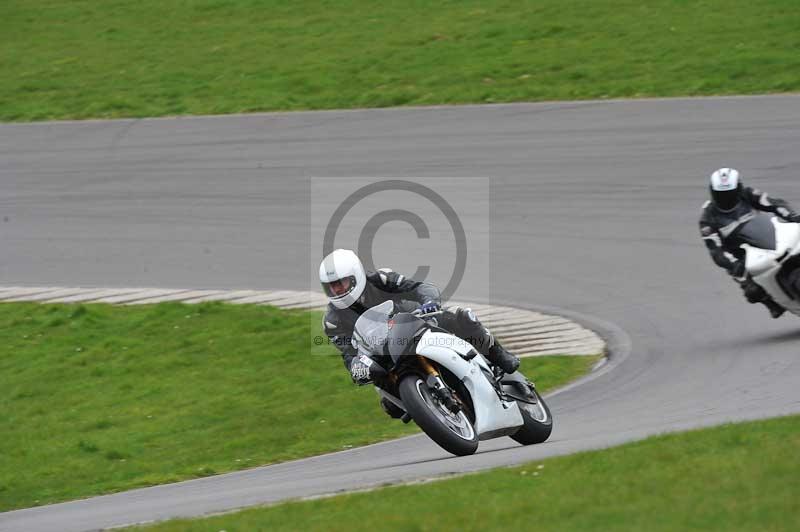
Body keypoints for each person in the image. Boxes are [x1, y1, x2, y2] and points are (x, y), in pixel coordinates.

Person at [319, 249, 520, 415]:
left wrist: (429, 303)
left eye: (340, 283)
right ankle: (426, 405)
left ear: (355, 276)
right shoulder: (332, 321)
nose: (336, 290)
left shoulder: (381, 279)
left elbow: (419, 287)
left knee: (462, 318)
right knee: (391, 406)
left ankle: (499, 355)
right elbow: (348, 353)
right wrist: (356, 366)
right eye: (331, 287)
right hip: (383, 353)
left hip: (417, 324)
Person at [699, 168, 800, 318]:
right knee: (752, 291)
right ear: (713, 192)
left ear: (738, 188)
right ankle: (771, 303)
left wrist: (792, 215)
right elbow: (716, 252)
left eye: (729, 193)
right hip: (742, 256)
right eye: (721, 194)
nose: (726, 198)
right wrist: (734, 265)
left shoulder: (748, 194)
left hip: (767, 236)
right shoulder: (708, 219)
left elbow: (774, 204)